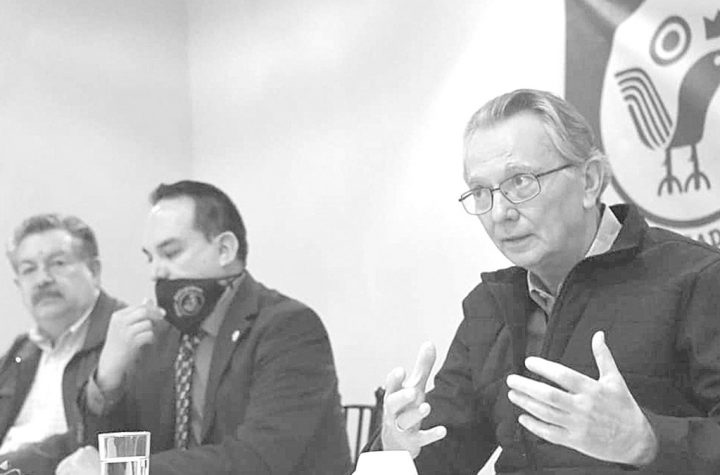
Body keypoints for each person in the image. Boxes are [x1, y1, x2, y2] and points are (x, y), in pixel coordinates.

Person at [377, 89, 720, 473]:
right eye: (481, 192)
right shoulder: (490, 307)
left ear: (589, 181)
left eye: (520, 181)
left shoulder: (698, 279)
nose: (500, 212)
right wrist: (397, 448)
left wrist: (646, 442)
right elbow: (442, 455)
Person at [57, 180, 351, 475]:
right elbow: (104, 454)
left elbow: (258, 460)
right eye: (150, 258)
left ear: (225, 249)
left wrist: (122, 471)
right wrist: (107, 381)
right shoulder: (157, 336)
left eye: (171, 253)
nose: (156, 271)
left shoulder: (289, 328)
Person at [0, 214, 124, 474]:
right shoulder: (21, 352)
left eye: (57, 263)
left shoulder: (125, 337)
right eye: (29, 269)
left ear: (94, 271)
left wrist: (9, 465)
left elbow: (102, 440)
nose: (42, 279)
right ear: (18, 284)